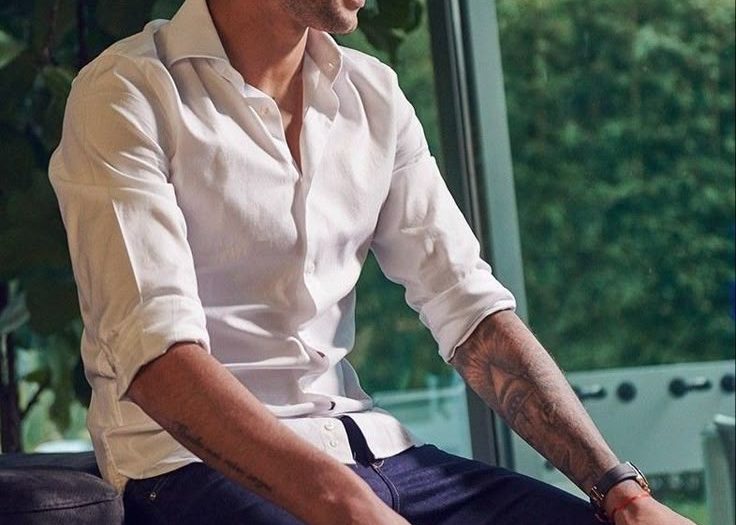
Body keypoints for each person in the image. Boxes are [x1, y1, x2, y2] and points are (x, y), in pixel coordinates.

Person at [48, 0, 695, 523]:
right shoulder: (128, 92)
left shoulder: (372, 94)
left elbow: (469, 307)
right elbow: (156, 357)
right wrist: (347, 505)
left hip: (376, 452)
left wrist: (621, 492)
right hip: (189, 468)